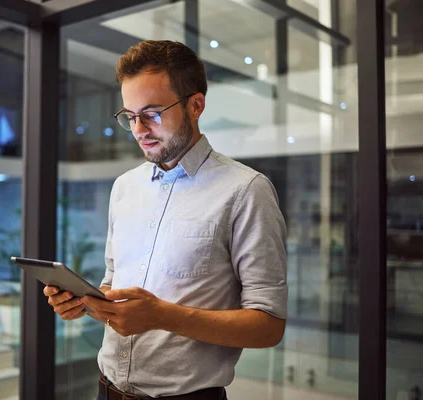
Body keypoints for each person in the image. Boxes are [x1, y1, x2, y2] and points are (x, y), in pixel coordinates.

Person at [44, 40, 287, 400]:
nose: (139, 129)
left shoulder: (246, 190)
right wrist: (87, 302)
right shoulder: (125, 187)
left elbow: (269, 326)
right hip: (106, 390)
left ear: (196, 105)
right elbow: (114, 283)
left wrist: (162, 316)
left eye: (152, 113)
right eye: (129, 116)